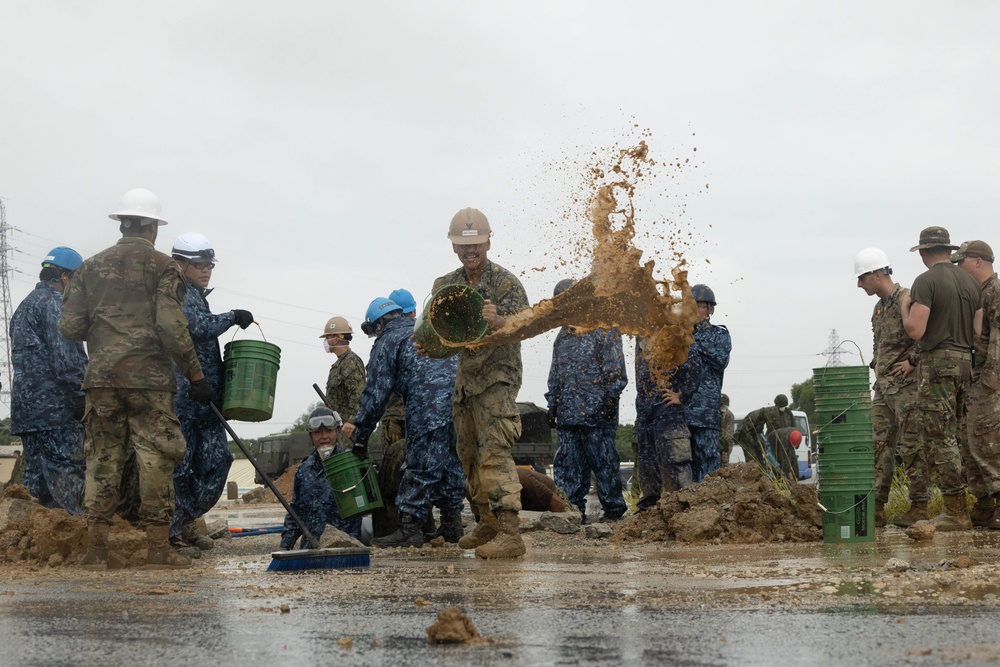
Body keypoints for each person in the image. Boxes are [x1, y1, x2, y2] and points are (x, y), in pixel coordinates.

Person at [60, 188, 209, 570]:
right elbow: (171, 325)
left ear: (122, 223)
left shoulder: (88, 268)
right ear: (153, 228)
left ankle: (96, 552)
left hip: (102, 381)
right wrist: (195, 374)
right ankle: (158, 551)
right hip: (150, 381)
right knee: (155, 460)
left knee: (102, 460)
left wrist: (108, 331)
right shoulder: (164, 267)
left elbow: (71, 326)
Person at [427, 207, 530, 559]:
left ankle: (511, 532)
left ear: (487, 241)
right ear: (454, 247)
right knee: (468, 454)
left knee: (494, 453)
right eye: (463, 247)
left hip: (497, 380)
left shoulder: (505, 283)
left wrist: (499, 321)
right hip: (466, 383)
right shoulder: (448, 285)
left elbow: (527, 327)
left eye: (476, 246)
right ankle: (486, 522)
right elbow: (442, 337)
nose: (470, 252)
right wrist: (429, 345)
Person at [342, 297, 465, 548]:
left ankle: (410, 529)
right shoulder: (425, 329)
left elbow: (376, 394)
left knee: (420, 464)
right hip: (460, 405)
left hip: (427, 407)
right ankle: (452, 525)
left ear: (377, 326)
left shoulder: (387, 341)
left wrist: (361, 435)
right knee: (451, 462)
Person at [168, 233, 255, 554]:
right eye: (199, 265)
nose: (206, 271)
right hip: (184, 399)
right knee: (181, 465)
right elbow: (197, 328)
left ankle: (186, 519)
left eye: (209, 266)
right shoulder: (177, 293)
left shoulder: (195, 294)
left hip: (205, 400)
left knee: (218, 460)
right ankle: (174, 530)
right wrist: (232, 316)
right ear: (180, 263)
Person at [902, 226, 982, 531]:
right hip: (965, 362)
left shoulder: (925, 281)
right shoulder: (970, 283)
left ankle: (955, 511)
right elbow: (977, 332)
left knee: (940, 436)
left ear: (923, 253)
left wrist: (905, 306)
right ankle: (969, 505)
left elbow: (915, 330)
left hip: (938, 363)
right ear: (948, 251)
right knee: (958, 433)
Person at [9, 246, 88, 514]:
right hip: (56, 412)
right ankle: (76, 539)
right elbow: (66, 359)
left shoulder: (25, 306)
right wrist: (80, 396)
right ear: (65, 277)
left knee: (35, 481)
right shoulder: (55, 305)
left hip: (27, 413)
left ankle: (30, 542)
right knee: (68, 473)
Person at [854, 247, 926, 528]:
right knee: (878, 445)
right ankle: (876, 508)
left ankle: (920, 506)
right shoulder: (879, 307)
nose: (859, 284)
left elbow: (925, 333)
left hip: (907, 387)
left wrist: (912, 361)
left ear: (876, 274)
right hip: (884, 388)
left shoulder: (906, 298)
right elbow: (880, 343)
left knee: (911, 445)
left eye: (862, 278)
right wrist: (876, 364)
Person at [545, 278, 628, 522]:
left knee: (604, 464)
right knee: (568, 467)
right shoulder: (563, 336)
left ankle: (613, 511)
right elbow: (556, 373)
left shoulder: (605, 329)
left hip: (597, 414)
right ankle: (571, 513)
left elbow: (615, 368)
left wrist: (611, 398)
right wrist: (553, 403)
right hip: (568, 415)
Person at [952, 240, 1000, 529]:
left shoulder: (995, 292)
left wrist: (990, 384)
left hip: (989, 381)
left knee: (990, 442)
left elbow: (996, 341)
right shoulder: (978, 293)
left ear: (978, 261)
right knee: (971, 443)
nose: (959, 267)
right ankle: (983, 503)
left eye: (963, 262)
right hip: (976, 379)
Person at [634, 336, 703, 510]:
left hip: (667, 410)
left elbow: (694, 365)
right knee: (647, 463)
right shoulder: (640, 335)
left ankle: (683, 508)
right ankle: (649, 510)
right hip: (645, 411)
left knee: (675, 461)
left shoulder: (673, 329)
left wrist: (683, 395)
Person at [280, 407, 362, 549]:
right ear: (311, 436)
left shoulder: (351, 463)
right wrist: (284, 547)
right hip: (311, 549)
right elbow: (295, 513)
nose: (324, 436)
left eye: (329, 431)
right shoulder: (303, 470)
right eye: (318, 432)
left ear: (336, 432)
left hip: (347, 548)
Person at [685, 284, 732, 482]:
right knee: (683, 469)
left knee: (708, 470)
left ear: (710, 309)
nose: (694, 310)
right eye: (690, 306)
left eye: (699, 306)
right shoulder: (678, 335)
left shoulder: (719, 335)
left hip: (705, 414)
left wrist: (693, 343)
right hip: (681, 412)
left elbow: (720, 360)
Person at [321, 316, 366, 449]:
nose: (325, 341)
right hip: (338, 429)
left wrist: (352, 422)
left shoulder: (351, 362)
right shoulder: (339, 364)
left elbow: (359, 395)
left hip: (348, 431)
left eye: (327, 337)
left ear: (335, 339)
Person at [737, 395, 795, 472]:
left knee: (762, 461)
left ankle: (764, 476)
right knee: (753, 461)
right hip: (747, 438)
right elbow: (746, 434)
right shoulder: (756, 418)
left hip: (758, 436)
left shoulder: (787, 413)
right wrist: (754, 442)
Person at [719, 394, 735, 467]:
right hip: (715, 443)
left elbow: (728, 433)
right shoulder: (713, 413)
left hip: (723, 445)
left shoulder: (728, 414)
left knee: (723, 465)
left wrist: (724, 445)